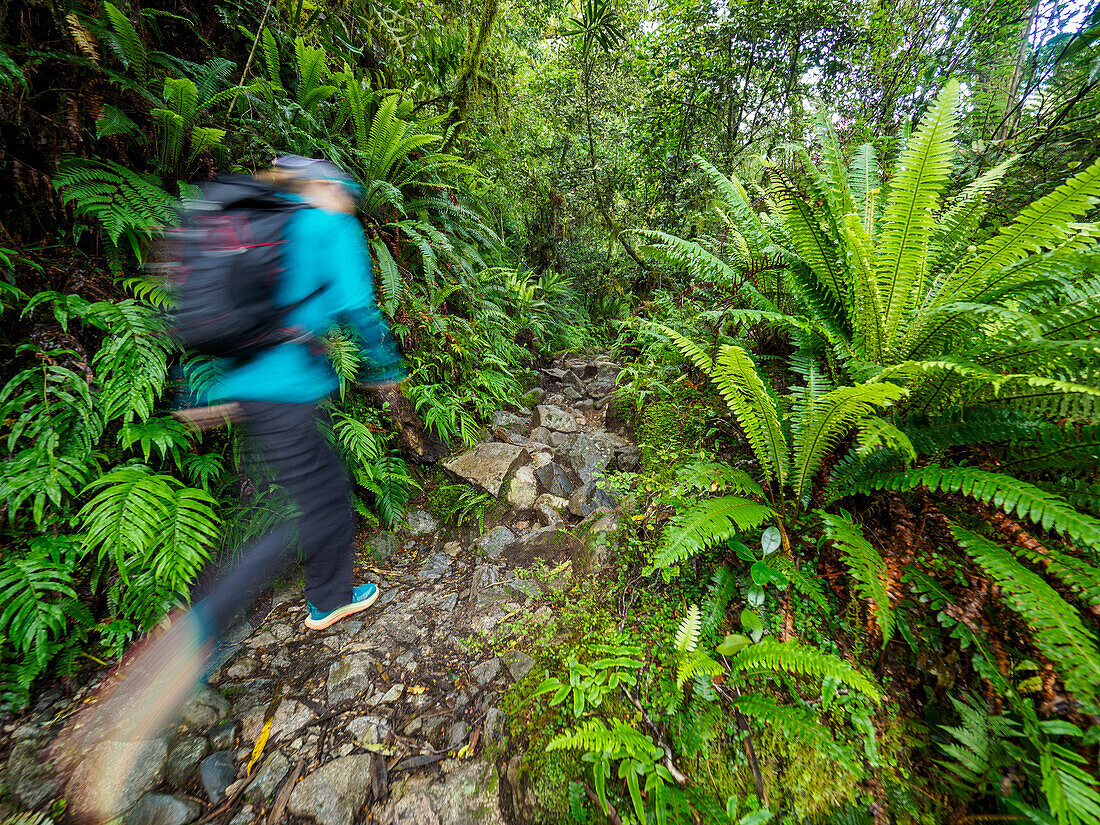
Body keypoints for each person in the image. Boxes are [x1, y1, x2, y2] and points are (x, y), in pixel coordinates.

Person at [54, 155, 406, 822]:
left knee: (307, 500)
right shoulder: (329, 227)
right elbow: (357, 307)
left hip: (245, 390)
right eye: (348, 195)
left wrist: (200, 392)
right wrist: (385, 372)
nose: (350, 205)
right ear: (332, 189)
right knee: (306, 513)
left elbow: (221, 313)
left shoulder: (264, 224)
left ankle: (326, 597)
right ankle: (197, 632)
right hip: (291, 392)